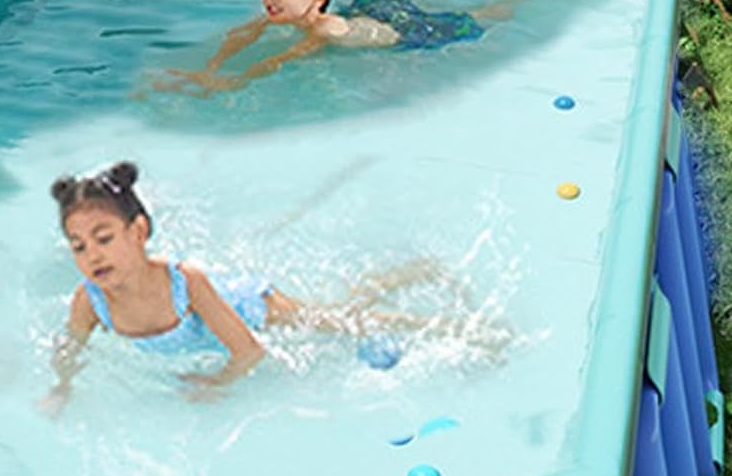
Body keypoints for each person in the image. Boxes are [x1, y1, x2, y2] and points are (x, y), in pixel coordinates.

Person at [42, 162, 500, 410]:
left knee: (346, 321)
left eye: (103, 239)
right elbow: (71, 347)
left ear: (139, 232)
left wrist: (218, 384)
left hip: (248, 307)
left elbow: (249, 352)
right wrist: (61, 387)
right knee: (343, 309)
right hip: (218, 322)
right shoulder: (90, 300)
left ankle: (466, 330)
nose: (92, 255)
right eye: (78, 246)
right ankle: (403, 274)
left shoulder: (187, 283)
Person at [154, 0, 596, 96]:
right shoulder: (299, 15)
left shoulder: (321, 33)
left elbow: (276, 63)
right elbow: (242, 33)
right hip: (369, 13)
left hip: (403, 34)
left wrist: (233, 81)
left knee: (481, 15)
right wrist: (208, 68)